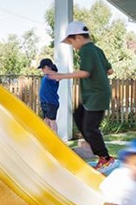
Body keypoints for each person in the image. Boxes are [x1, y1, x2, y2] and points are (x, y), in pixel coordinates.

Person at [46, 21, 116, 171]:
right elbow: (110, 71)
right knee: (78, 115)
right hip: (95, 94)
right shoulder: (97, 50)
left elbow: (85, 72)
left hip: (96, 95)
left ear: (78, 37)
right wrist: (99, 73)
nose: (72, 46)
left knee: (90, 127)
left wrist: (61, 75)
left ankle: (106, 158)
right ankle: (97, 150)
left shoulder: (86, 50)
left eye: (71, 42)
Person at [37, 58, 61, 134]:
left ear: (47, 67)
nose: (42, 70)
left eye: (43, 68)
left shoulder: (51, 75)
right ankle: (46, 136)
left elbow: (58, 78)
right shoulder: (46, 76)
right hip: (45, 102)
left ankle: (55, 137)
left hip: (51, 102)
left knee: (52, 120)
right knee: (46, 120)